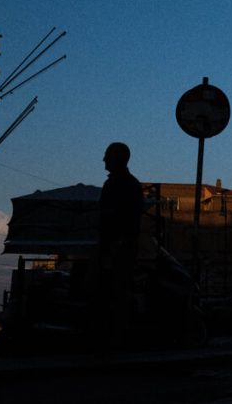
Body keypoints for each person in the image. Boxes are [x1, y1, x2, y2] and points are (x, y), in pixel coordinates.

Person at [95, 142, 144, 348]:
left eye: (107, 155)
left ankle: (111, 339)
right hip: (117, 247)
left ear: (117, 158)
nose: (104, 159)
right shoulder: (126, 184)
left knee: (110, 295)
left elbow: (118, 218)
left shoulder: (121, 184)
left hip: (116, 249)